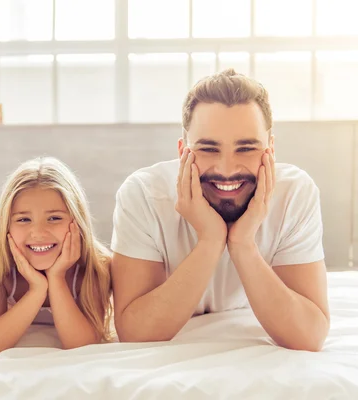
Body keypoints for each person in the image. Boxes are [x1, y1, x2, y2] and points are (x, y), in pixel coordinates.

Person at [110, 69, 329, 351]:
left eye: (246, 148)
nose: (227, 170)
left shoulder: (295, 193)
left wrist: (242, 243)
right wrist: (210, 240)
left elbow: (308, 337)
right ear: (183, 153)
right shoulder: (143, 195)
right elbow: (136, 333)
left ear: (270, 150)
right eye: (209, 149)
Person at [0, 157, 112, 359]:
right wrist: (37, 290)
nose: (38, 232)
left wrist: (57, 278)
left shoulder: (96, 266)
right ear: (6, 226)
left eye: (54, 218)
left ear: (77, 222)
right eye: (23, 219)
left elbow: (81, 345)